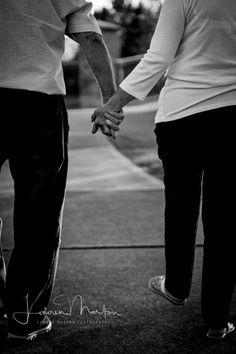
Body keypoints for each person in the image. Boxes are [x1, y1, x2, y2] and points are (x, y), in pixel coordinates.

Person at [91, 0, 236, 339]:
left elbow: (158, 57)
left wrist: (112, 104)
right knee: (225, 222)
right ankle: (216, 321)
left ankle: (177, 286)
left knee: (182, 207)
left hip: (182, 117)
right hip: (231, 117)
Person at [0, 0, 123, 341]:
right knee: (39, 212)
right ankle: (26, 317)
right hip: (38, 103)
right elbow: (92, 39)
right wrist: (110, 101)